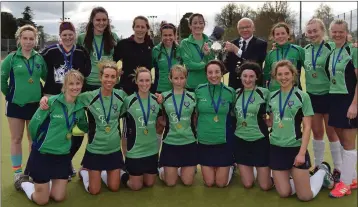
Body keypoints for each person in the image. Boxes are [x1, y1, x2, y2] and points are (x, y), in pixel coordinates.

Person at [14, 70, 88, 205]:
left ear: (82, 85)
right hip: (43, 154)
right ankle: (24, 182)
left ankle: (45, 184)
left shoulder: (80, 108)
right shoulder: (51, 102)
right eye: (71, 84)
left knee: (58, 197)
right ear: (65, 85)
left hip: (62, 155)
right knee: (42, 200)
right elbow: (33, 127)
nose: (75, 87)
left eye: (78, 83)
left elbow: (84, 127)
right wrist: (40, 143)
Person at [268, 60, 334, 201]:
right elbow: (273, 121)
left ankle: (322, 171)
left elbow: (307, 127)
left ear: (293, 75)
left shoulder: (302, 96)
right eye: (279, 74)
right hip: (276, 148)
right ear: (275, 76)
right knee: (284, 193)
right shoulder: (272, 96)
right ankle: (301, 180)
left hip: (295, 149)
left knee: (305, 196)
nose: (283, 77)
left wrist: (302, 153)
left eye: (287, 73)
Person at [40, 21, 91, 178]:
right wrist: (47, 93)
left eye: (70, 34)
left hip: (74, 99)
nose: (68, 37)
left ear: (75, 35)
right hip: (55, 99)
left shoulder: (81, 52)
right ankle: (53, 166)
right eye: (64, 35)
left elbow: (86, 73)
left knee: (77, 133)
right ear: (60, 36)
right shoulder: (49, 51)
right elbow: (40, 71)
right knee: (57, 133)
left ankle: (66, 161)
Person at [1, 24, 47, 184]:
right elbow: (2, 80)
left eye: (31, 38)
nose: (28, 41)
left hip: (35, 106)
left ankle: (32, 170)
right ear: (19, 39)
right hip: (15, 105)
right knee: (16, 138)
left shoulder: (40, 58)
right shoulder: (11, 58)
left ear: (36, 40)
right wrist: (11, 95)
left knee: (33, 139)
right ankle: (17, 173)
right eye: (25, 38)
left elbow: (47, 79)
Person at [302, 18, 343, 184]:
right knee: (317, 132)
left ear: (322, 31)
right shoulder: (304, 50)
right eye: (309, 31)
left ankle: (339, 168)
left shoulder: (332, 47)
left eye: (315, 31)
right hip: (312, 96)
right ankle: (318, 166)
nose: (312, 34)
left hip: (329, 95)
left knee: (332, 133)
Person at [327, 19, 358, 198]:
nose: (337, 34)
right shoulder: (332, 50)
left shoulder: (353, 50)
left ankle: (345, 184)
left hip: (349, 100)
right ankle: (352, 177)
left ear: (346, 32)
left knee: (348, 143)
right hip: (334, 99)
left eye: (341, 31)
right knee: (340, 138)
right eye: (334, 31)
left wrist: (355, 104)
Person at [120, 67, 161, 191]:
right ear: (136, 81)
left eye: (147, 80)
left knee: (149, 184)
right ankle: (122, 173)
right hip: (135, 151)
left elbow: (159, 127)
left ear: (151, 81)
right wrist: (126, 155)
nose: (144, 84)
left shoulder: (157, 100)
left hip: (152, 150)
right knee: (136, 186)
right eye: (141, 80)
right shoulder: (128, 101)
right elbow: (125, 131)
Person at [233, 62, 272, 190]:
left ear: (257, 77)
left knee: (265, 186)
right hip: (240, 140)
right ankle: (254, 170)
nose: (247, 79)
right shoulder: (236, 93)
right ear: (240, 76)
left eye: (251, 76)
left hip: (259, 140)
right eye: (245, 76)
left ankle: (270, 174)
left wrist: (267, 122)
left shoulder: (264, 93)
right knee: (248, 184)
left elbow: (272, 116)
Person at [195, 60, 235, 187]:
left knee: (221, 183)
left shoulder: (230, 92)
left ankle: (231, 166)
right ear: (206, 74)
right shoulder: (199, 90)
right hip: (204, 140)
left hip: (223, 141)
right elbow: (194, 114)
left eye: (217, 72)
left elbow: (234, 114)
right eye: (210, 72)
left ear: (222, 72)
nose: (214, 75)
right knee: (209, 182)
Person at [157, 65, 197, 186]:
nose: (179, 81)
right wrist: (170, 123)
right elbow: (160, 118)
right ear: (170, 79)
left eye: (182, 78)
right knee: (170, 183)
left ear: (186, 78)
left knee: (188, 182)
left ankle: (183, 169)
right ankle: (162, 168)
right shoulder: (163, 97)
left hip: (189, 141)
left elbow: (195, 118)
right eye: (175, 78)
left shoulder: (193, 96)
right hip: (171, 142)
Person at [152, 22, 183, 146]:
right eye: (165, 35)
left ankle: (177, 158)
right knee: (159, 125)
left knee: (177, 125)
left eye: (171, 35)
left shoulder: (180, 49)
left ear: (175, 35)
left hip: (177, 92)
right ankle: (156, 158)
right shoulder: (156, 50)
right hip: (161, 91)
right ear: (161, 35)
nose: (168, 38)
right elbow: (149, 68)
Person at [113, 16, 154, 95]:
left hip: (144, 87)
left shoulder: (150, 45)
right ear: (133, 28)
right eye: (137, 26)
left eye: (143, 27)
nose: (140, 29)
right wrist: (117, 71)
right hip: (126, 88)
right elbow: (113, 62)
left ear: (146, 29)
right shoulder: (123, 44)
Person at [224, 18, 268, 89]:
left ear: (253, 28)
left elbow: (254, 61)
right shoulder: (233, 43)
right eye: (241, 28)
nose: (244, 30)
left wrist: (237, 51)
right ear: (238, 30)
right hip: (234, 86)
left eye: (247, 27)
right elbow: (227, 65)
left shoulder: (261, 44)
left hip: (253, 86)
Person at [263, 22, 305, 92]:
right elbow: (266, 76)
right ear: (274, 37)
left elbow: (309, 69)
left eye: (283, 33)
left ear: (288, 35)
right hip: (274, 94)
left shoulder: (298, 50)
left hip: (293, 92)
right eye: (277, 34)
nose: (280, 36)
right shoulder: (270, 54)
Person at [180, 13, 214, 92]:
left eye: (201, 23)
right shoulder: (185, 43)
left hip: (208, 84)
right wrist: (205, 63)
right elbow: (189, 65)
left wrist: (207, 55)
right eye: (195, 23)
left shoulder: (210, 43)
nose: (198, 26)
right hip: (191, 85)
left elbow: (213, 64)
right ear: (190, 26)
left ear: (204, 25)